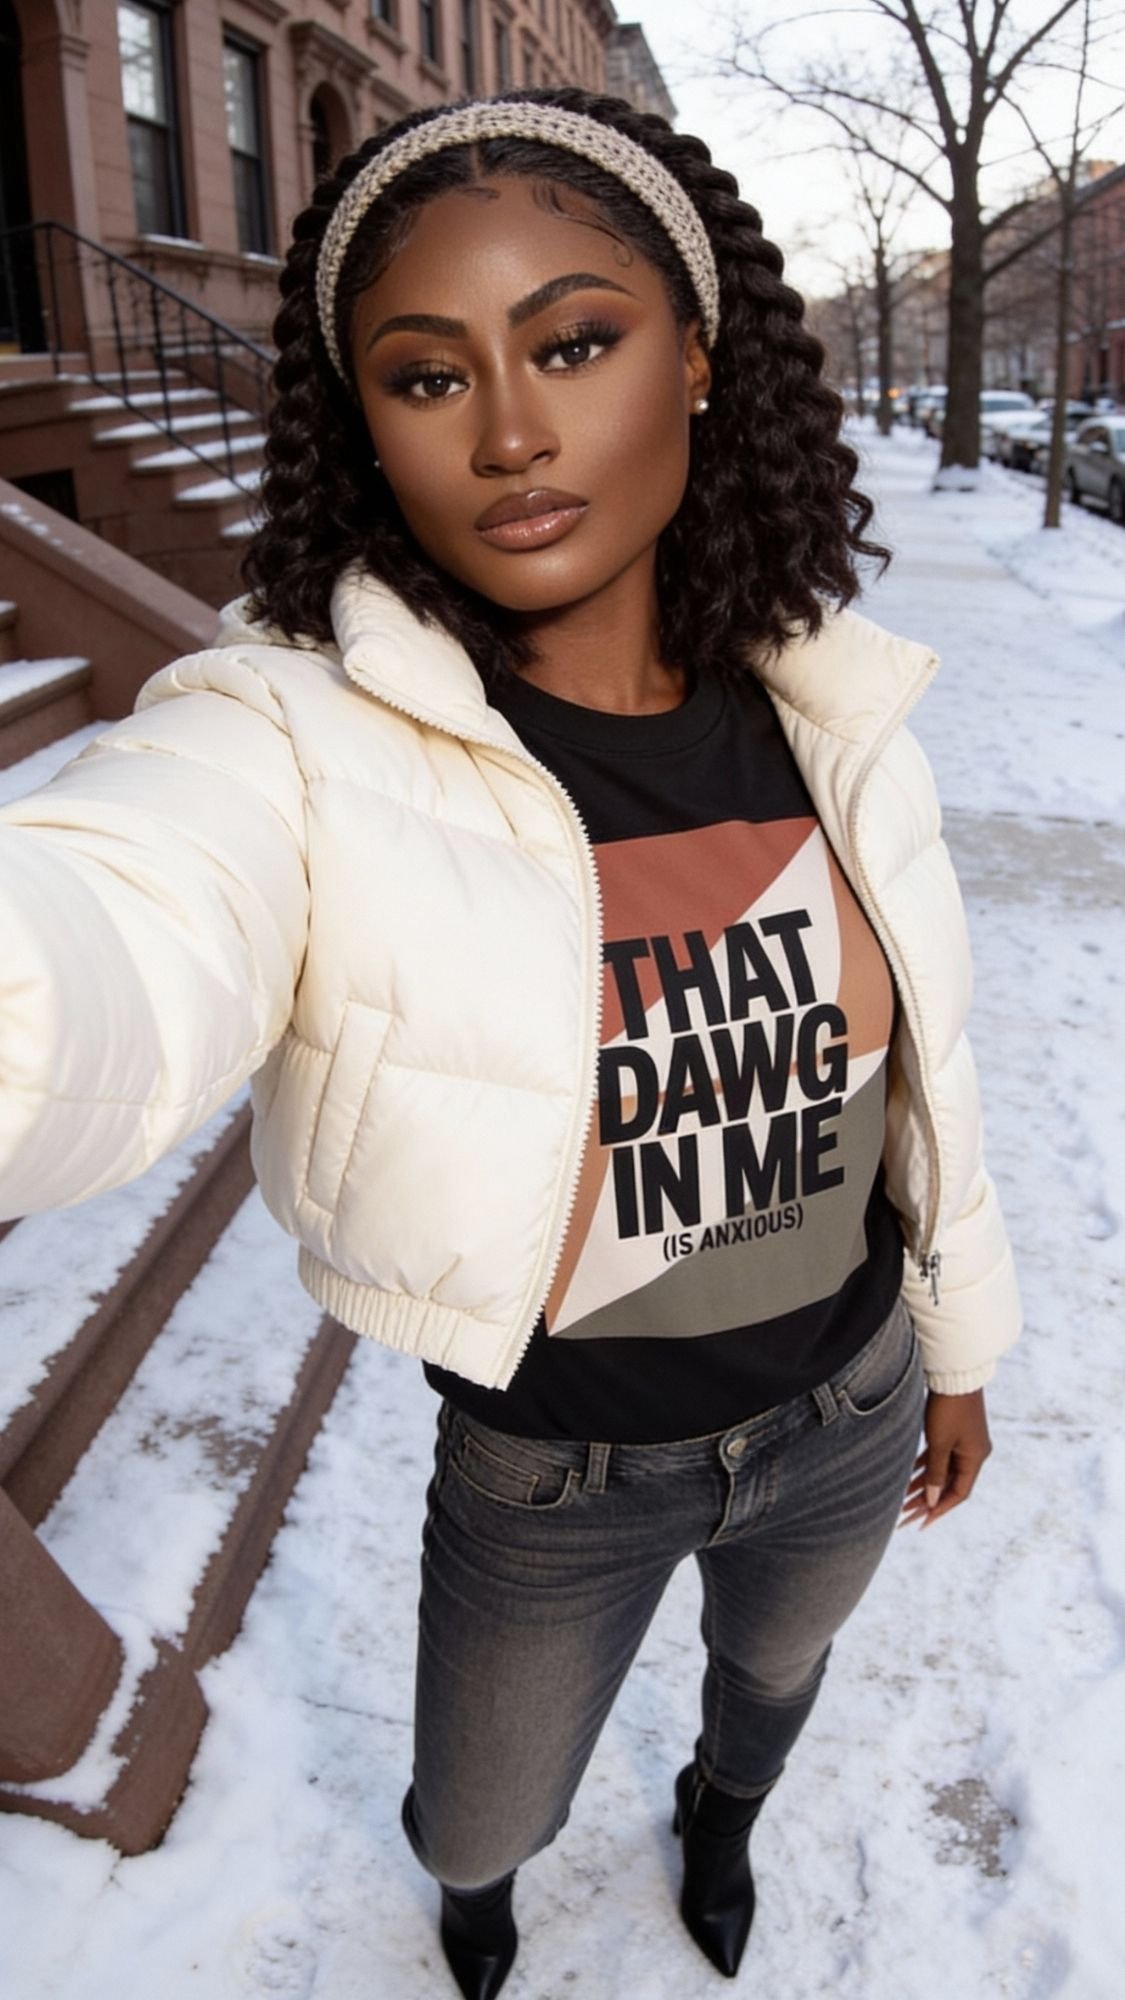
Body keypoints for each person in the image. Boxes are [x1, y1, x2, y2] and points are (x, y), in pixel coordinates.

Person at [0, 88, 1020, 1998]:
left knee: (772, 1683)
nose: (513, 429)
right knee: (474, 1815)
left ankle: (721, 1817)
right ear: (365, 431)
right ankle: (475, 1908)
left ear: (698, 360)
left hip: (845, 1404)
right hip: (554, 1473)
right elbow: (105, 931)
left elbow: (919, 1090)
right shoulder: (298, 747)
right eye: (423, 373)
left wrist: (955, 1353)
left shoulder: (827, 713)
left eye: (572, 340)